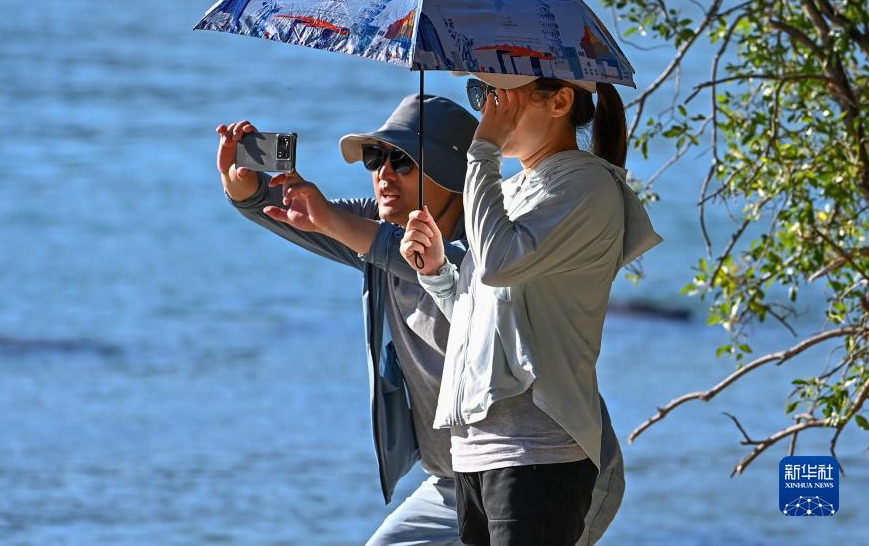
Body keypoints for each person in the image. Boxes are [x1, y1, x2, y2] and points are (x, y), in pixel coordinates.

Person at [216, 93, 626, 545]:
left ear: (452, 173)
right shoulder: (373, 230)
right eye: (374, 159)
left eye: (402, 161)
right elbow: (304, 216)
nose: (383, 174)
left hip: (548, 465)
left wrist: (334, 221)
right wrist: (246, 189)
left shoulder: (493, 242)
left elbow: (457, 269)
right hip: (458, 475)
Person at [399, 73, 664, 545]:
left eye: (498, 96)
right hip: (477, 453)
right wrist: (438, 272)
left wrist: (482, 153)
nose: (486, 111)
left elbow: (498, 265)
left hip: (537, 451)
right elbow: (482, 324)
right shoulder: (516, 188)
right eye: (480, 95)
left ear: (560, 102)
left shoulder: (585, 186)